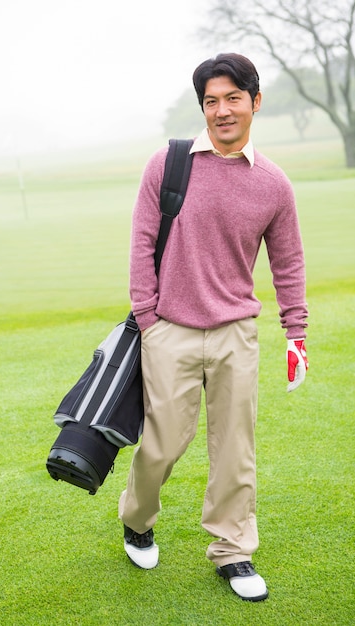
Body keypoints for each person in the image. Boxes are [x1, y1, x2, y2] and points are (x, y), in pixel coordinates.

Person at [118, 53, 309, 602]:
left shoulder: (273, 184)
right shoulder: (168, 164)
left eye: (232, 99)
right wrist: (148, 317)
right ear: (202, 106)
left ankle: (232, 550)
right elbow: (140, 243)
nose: (221, 111)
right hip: (169, 329)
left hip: (235, 334)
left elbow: (288, 263)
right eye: (210, 101)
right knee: (162, 443)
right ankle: (137, 518)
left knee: (235, 450)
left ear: (255, 101)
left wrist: (295, 335)